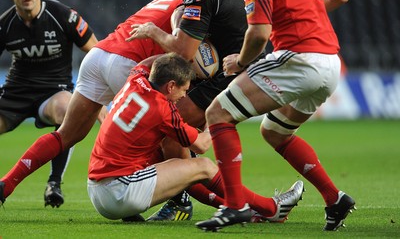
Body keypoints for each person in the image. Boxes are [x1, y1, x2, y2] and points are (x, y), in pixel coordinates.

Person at [195, 0, 355, 232]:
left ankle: (234, 205)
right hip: (330, 64)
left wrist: (240, 63)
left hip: (297, 60)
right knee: (275, 132)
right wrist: (303, 11)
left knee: (218, 114)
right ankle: (334, 198)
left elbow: (258, 33)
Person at [126, 0, 271, 220]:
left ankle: (185, 199)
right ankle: (219, 199)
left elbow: (183, 51)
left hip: (234, 69)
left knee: (170, 130)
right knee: (174, 131)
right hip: (227, 64)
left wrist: (152, 32)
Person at [0, 0, 183, 210]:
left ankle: (18, 183)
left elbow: (92, 43)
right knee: (169, 138)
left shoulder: (59, 13)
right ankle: (183, 202)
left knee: (66, 132)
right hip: (129, 63)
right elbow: (186, 48)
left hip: (94, 59)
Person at [87, 52, 304, 224]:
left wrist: (175, 56)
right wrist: (219, 116)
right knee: (203, 166)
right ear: (170, 85)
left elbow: (145, 62)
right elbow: (201, 145)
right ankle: (270, 208)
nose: (184, 95)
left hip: (97, 190)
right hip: (118, 193)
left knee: (176, 164)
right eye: (183, 90)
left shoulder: (135, 79)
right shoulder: (162, 109)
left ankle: (245, 209)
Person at [0, 0, 98, 208]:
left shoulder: (62, 15)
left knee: (68, 110)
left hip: (53, 92)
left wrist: (99, 97)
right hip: (15, 93)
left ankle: (54, 183)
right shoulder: (5, 24)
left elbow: (97, 53)